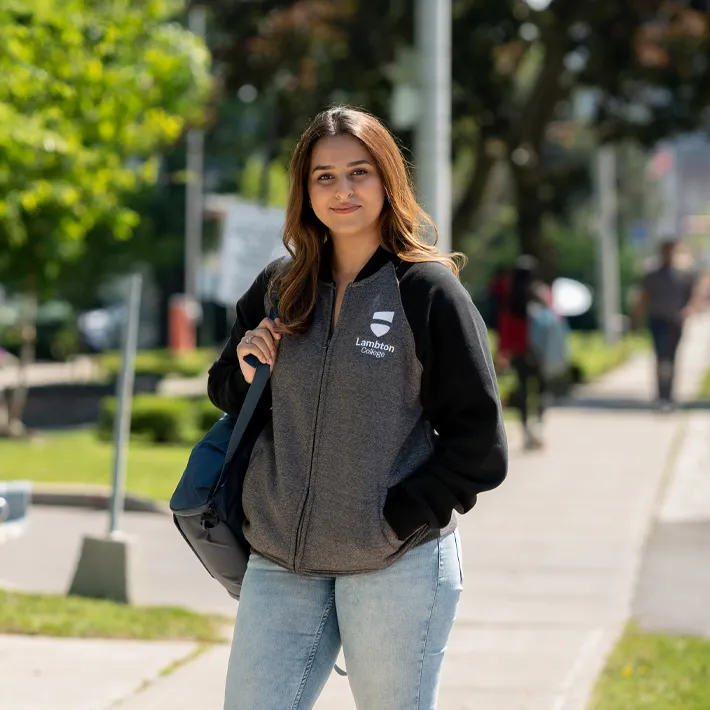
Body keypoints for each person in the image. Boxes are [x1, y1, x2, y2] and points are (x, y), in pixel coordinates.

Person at [207, 106, 508, 710]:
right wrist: (244, 370)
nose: (342, 191)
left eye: (358, 173)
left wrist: (396, 517)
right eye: (324, 177)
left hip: (393, 564)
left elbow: (480, 443)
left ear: (387, 179)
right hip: (281, 562)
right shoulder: (279, 286)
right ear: (305, 189)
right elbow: (225, 392)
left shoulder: (425, 290)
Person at [635, 238, 702, 410]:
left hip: (675, 321)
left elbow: (693, 296)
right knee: (661, 356)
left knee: (671, 358)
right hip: (657, 320)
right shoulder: (652, 275)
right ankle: (661, 395)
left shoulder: (684, 275)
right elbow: (643, 296)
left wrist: (688, 310)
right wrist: (636, 319)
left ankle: (669, 395)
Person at [496, 255, 549, 450]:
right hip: (538, 351)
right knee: (542, 388)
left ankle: (527, 430)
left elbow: (505, 325)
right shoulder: (539, 295)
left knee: (523, 390)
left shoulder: (510, 297)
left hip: (518, 351)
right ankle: (540, 426)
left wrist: (503, 351)